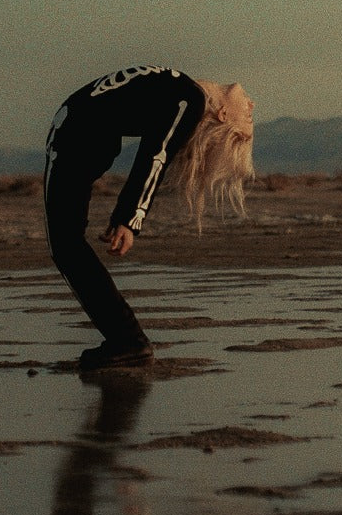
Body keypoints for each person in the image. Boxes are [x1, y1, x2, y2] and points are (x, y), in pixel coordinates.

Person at [44, 65, 254, 370]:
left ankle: (128, 342)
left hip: (73, 136)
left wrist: (130, 218)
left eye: (247, 116)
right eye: (249, 109)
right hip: (81, 134)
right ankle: (127, 341)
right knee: (66, 246)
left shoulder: (190, 99)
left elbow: (157, 154)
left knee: (64, 246)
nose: (251, 104)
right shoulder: (183, 92)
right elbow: (156, 150)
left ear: (222, 114)